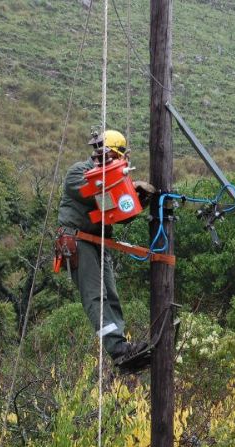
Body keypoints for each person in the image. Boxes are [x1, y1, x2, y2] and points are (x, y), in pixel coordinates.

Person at [57, 129, 154, 365]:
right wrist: (126, 187)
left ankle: (122, 347)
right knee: (95, 297)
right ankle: (117, 349)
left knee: (110, 295)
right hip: (78, 240)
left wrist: (139, 198)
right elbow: (98, 195)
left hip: (98, 242)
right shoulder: (78, 173)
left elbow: (120, 214)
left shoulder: (113, 177)